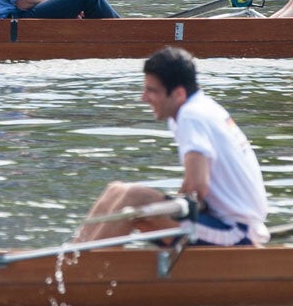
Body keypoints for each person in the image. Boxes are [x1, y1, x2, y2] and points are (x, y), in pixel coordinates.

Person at [75, 47, 269, 246]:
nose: (143, 97)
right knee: (115, 190)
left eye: (151, 90)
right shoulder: (195, 108)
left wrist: (155, 206)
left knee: (134, 196)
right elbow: (192, 189)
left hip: (236, 231)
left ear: (178, 93)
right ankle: (71, 257)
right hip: (220, 223)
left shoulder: (192, 115)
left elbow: (197, 187)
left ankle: (81, 271)